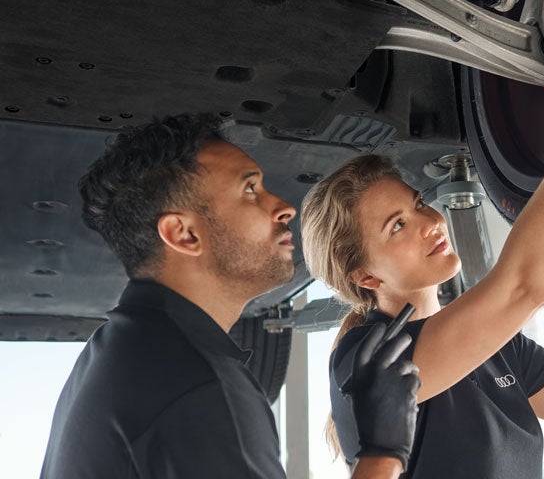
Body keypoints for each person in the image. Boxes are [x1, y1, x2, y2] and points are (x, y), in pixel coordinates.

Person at [300, 1, 544, 479]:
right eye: (397, 226)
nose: (429, 222)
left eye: (418, 204)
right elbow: (526, 285)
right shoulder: (366, 360)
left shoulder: (499, 349)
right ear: (366, 275)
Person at [41, 113, 420, 479]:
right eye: (250, 190)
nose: (285, 207)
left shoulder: (121, 352)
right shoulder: (199, 387)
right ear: (184, 234)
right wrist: (383, 452)